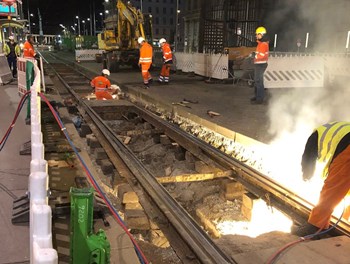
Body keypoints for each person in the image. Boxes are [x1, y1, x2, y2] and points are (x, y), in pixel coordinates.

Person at [293, 121, 350, 237]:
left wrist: (306, 175)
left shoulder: (314, 136)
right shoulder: (333, 129)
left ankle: (314, 225)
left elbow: (307, 158)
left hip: (348, 146)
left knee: (333, 187)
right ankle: (345, 218)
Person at [250, 26, 269, 105]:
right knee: (257, 81)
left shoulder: (263, 44)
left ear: (262, 35)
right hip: (259, 64)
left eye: (257, 34)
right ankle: (257, 96)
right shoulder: (260, 43)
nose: (256, 36)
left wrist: (254, 56)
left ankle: (259, 99)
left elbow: (261, 55)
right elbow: (259, 54)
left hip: (261, 64)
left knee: (259, 81)